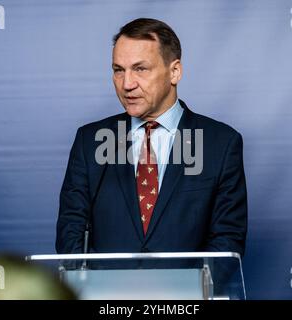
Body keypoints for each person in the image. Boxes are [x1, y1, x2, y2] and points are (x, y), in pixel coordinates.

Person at [56, 18, 247, 260]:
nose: (127, 84)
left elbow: (227, 240)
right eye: (118, 70)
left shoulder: (221, 143)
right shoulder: (90, 141)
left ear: (174, 71)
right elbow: (70, 233)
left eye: (140, 69)